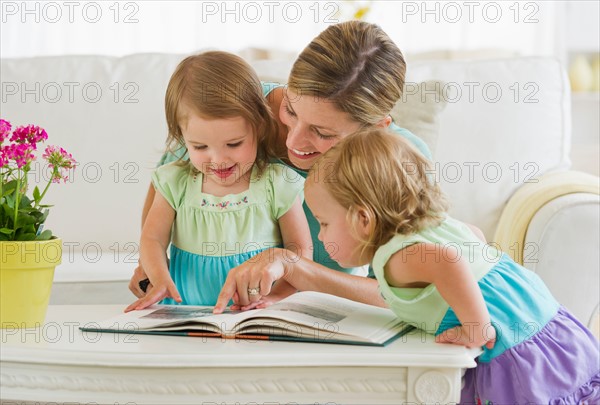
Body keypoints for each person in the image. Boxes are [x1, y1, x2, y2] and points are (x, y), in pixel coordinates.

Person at [129, 20, 434, 309]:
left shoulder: (400, 159)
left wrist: (298, 269)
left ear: (376, 129)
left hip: (323, 312)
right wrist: (153, 269)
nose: (294, 142)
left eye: (322, 133)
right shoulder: (231, 107)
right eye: (290, 110)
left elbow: (407, 296)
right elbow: (165, 189)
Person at [301, 128, 600, 404]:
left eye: (324, 223)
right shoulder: (431, 223)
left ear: (363, 220)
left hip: (515, 347)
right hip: (546, 322)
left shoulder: (395, 257)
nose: (321, 234)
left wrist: (474, 327)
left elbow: (449, 262)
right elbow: (475, 237)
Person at [125, 51, 311, 311]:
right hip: (185, 312)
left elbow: (300, 255)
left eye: (233, 144)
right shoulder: (174, 182)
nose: (218, 160)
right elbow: (152, 239)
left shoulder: (276, 183)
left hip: (254, 314)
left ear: (258, 128)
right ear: (182, 138)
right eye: (200, 146)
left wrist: (278, 297)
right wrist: (159, 279)